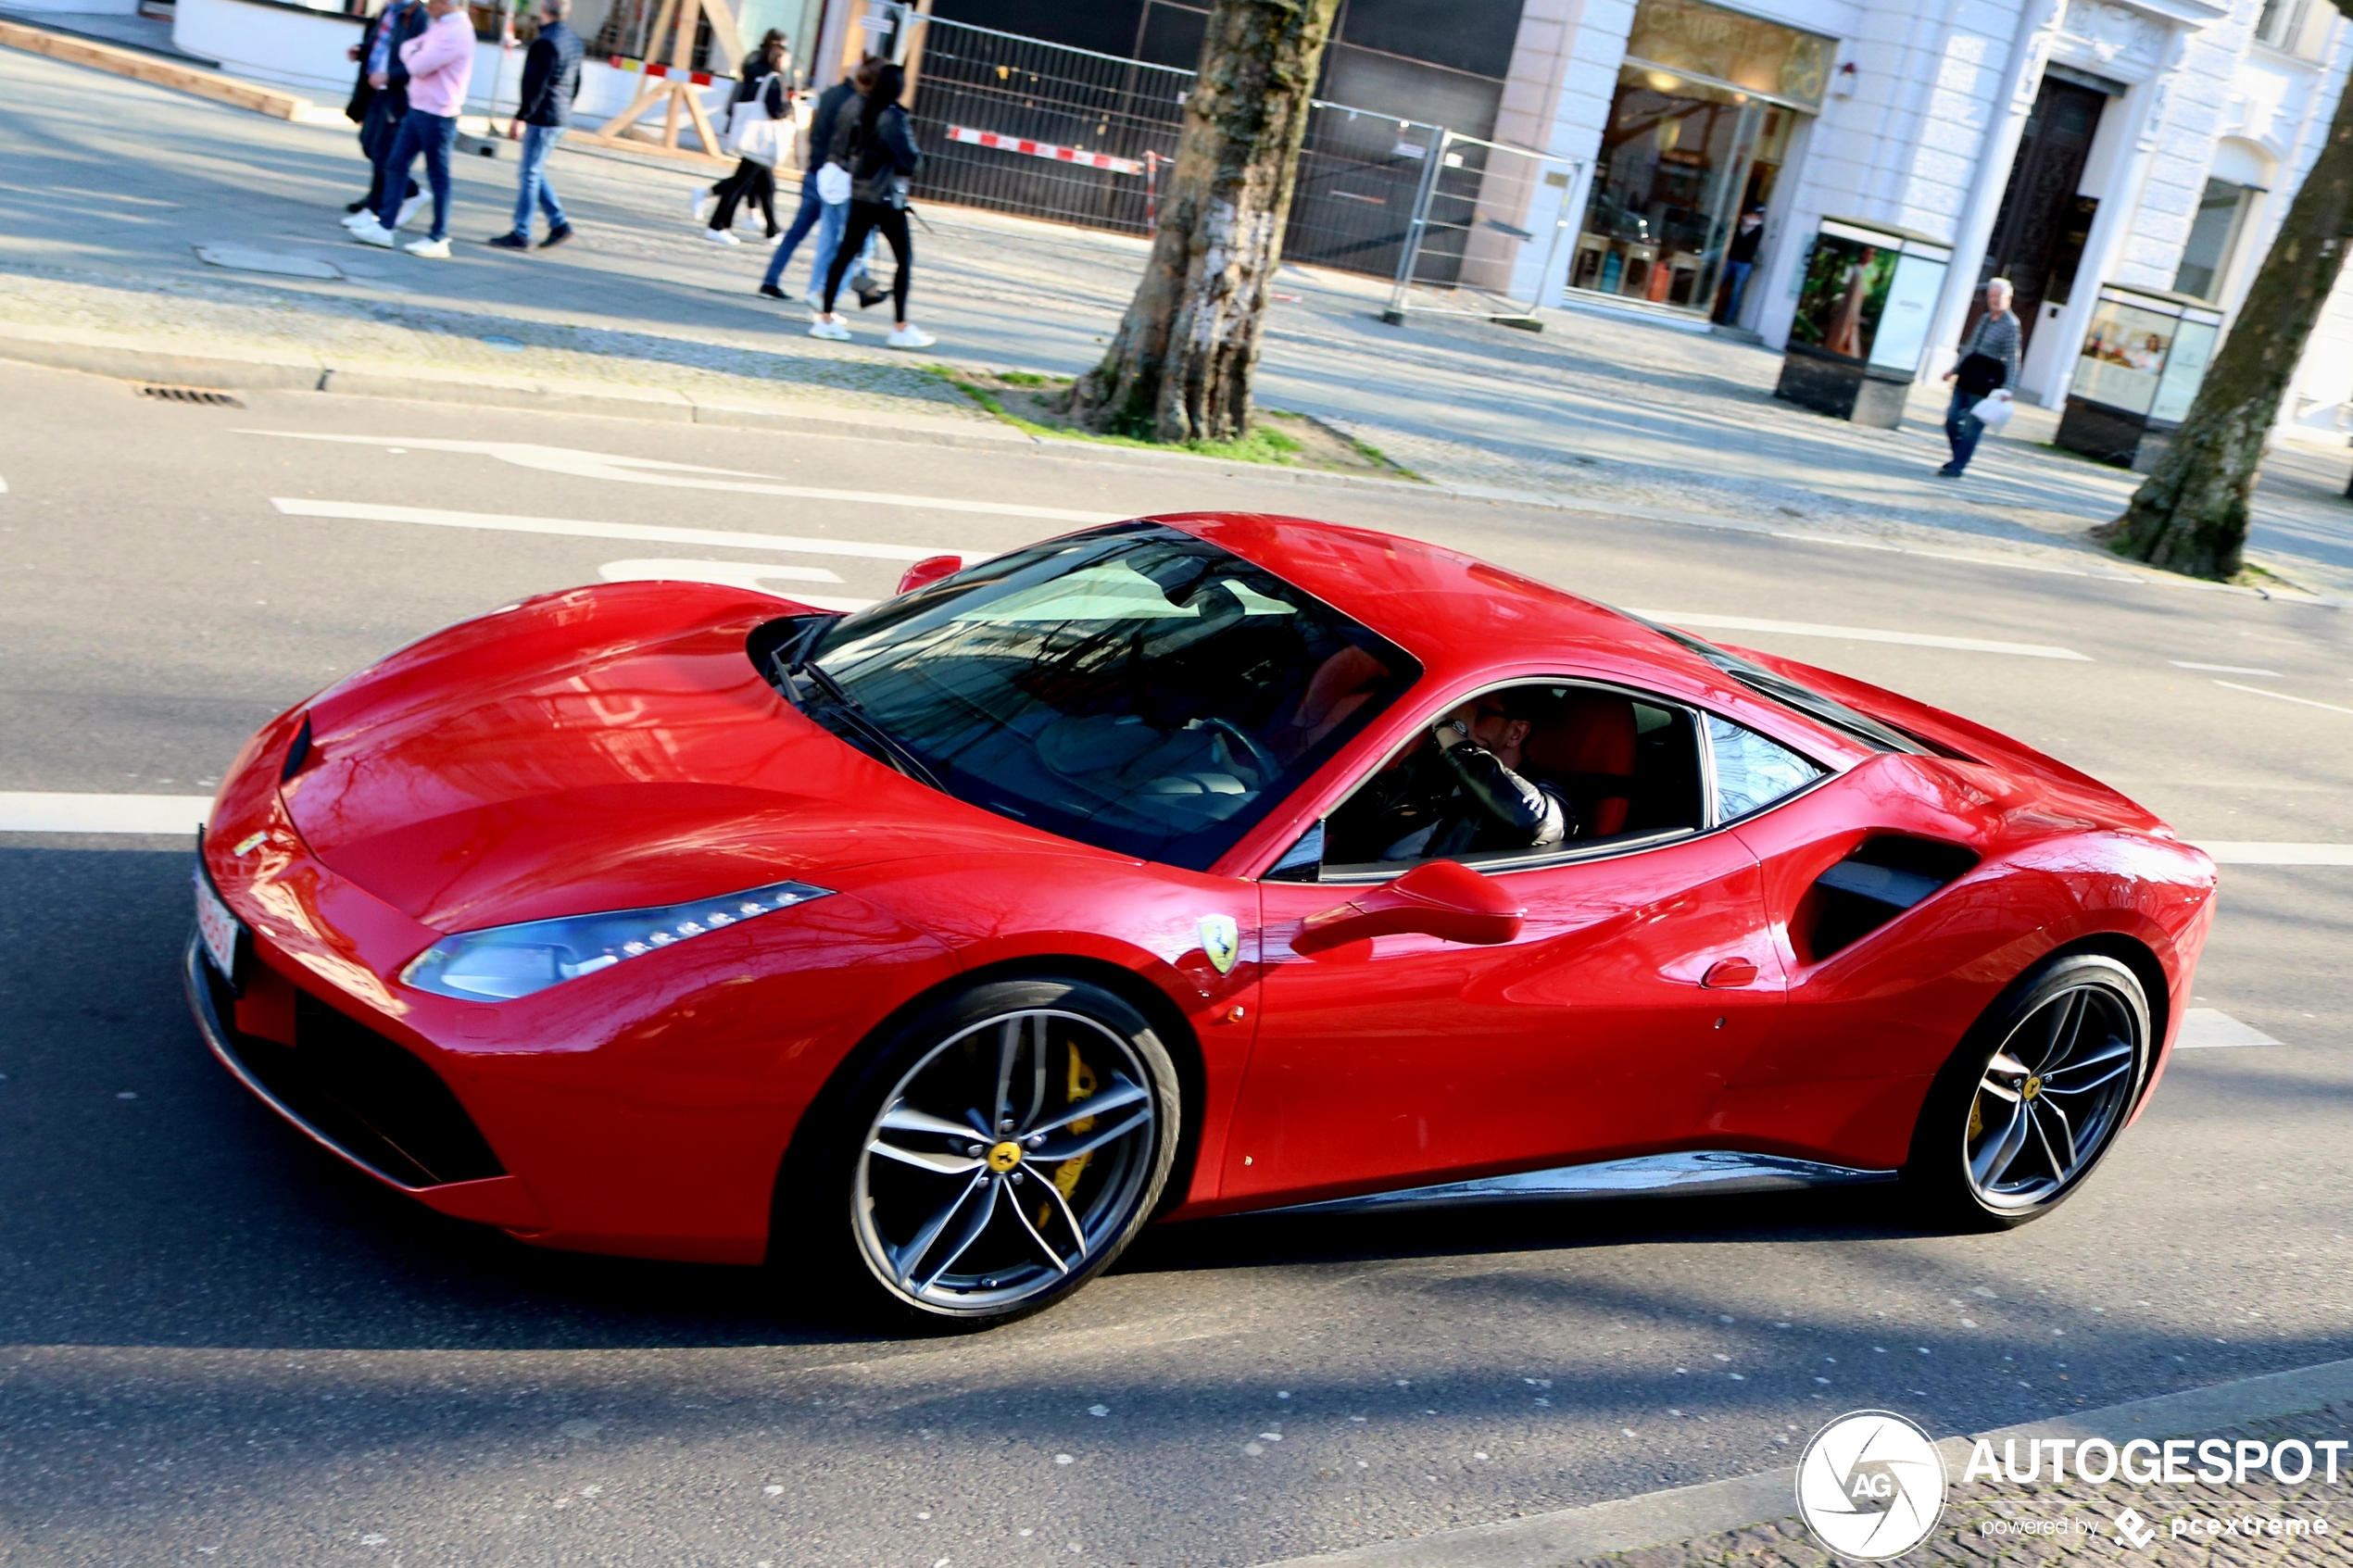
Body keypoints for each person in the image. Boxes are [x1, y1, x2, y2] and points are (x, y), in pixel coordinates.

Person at [1325, 690, 1571, 865]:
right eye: (1459, 707)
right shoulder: (1428, 768)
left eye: (1478, 712)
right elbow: (1343, 806)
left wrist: (1448, 729)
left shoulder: (1546, 792)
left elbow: (1530, 819)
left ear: (1516, 732)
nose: (1463, 717)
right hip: (1355, 882)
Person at [812, 62, 936, 348]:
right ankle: (900, 326)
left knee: (845, 252)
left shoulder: (861, 107)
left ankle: (826, 318)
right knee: (903, 260)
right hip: (886, 197)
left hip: (860, 192)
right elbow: (911, 159)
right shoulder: (892, 117)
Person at [353, 0, 474, 257]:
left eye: (432, 2)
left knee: (438, 175)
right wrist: (415, 53)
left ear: (445, 3)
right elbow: (409, 48)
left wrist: (415, 55)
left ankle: (438, 237)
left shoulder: (456, 31)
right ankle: (385, 226)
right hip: (419, 107)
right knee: (395, 163)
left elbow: (419, 65)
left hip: (438, 113)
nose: (426, 5)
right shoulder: (441, 26)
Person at [756, 56, 876, 306]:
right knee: (848, 239)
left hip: (816, 172)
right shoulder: (855, 104)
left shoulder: (829, 95)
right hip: (839, 175)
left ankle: (771, 278)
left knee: (799, 233)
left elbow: (814, 130)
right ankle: (840, 290)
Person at [488, 0, 583, 251]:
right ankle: (558, 224)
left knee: (529, 174)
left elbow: (535, 85)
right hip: (559, 114)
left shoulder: (545, 43)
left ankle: (522, 232)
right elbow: (576, 82)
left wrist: (521, 116)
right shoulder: (573, 40)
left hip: (544, 116)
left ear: (543, 9)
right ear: (567, 12)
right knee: (534, 171)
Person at [696, 31, 790, 245]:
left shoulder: (753, 71)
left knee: (764, 184)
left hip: (752, 135)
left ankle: (772, 229)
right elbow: (776, 110)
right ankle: (718, 224)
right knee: (741, 184)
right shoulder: (774, 79)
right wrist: (789, 107)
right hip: (761, 140)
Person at [341, 0, 427, 232]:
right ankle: (409, 191)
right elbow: (379, 43)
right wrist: (362, 50)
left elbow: (416, 60)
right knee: (369, 143)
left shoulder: (419, 17)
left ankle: (376, 209)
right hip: (376, 86)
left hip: (397, 91)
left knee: (384, 152)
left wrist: (391, 76)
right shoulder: (392, 12)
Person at [1938, 278, 2022, 478]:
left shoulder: (2011, 324)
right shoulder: (1985, 318)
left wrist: (2009, 387)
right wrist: (1954, 369)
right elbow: (1970, 346)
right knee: (1951, 419)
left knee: (1971, 426)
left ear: (2008, 298)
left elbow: (2013, 357)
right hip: (1967, 375)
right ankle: (1959, 457)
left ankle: (1957, 466)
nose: (1993, 300)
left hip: (1986, 381)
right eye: (1990, 296)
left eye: (1997, 296)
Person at [1716, 207, 1763, 324]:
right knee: (1717, 282)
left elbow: (1750, 243)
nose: (1756, 216)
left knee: (1736, 291)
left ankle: (1728, 318)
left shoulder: (1758, 228)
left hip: (1744, 262)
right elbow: (1733, 239)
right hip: (1731, 258)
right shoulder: (1739, 224)